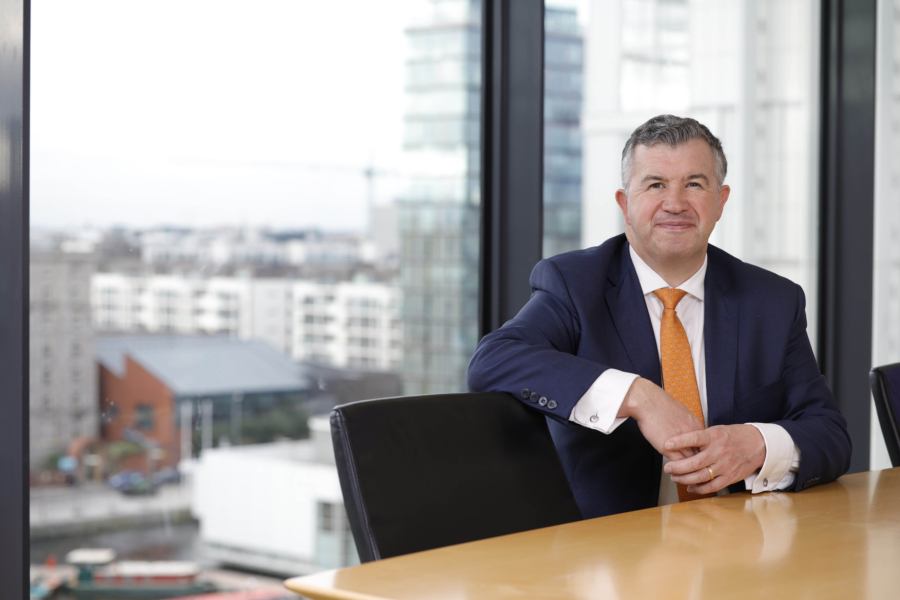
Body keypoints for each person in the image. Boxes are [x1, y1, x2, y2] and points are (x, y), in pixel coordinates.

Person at [467, 114, 851, 519]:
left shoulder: (772, 300)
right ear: (624, 204)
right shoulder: (575, 285)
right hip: (609, 555)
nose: (675, 203)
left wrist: (758, 443)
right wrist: (638, 396)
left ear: (720, 201)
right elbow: (493, 360)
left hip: (736, 548)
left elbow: (830, 435)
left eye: (694, 184)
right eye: (655, 185)